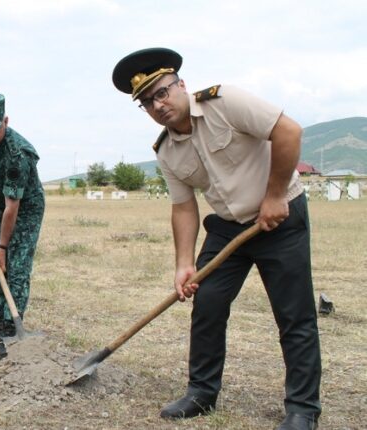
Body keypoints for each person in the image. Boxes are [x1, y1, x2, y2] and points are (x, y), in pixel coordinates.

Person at [112, 48, 321, 430]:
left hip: (280, 217)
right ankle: (201, 393)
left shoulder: (225, 102)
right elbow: (183, 207)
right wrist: (183, 263)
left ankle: (302, 409)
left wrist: (274, 196)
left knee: (294, 315)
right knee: (207, 303)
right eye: (147, 102)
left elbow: (289, 132)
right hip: (227, 227)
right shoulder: (166, 151)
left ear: (181, 85)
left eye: (162, 92)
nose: (158, 105)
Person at [0, 92, 45, 359]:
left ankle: (13, 331)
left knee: (16, 267)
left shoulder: (18, 154)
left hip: (25, 210)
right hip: (1, 207)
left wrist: (2, 246)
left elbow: (13, 206)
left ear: (6, 121)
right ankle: (1, 326)